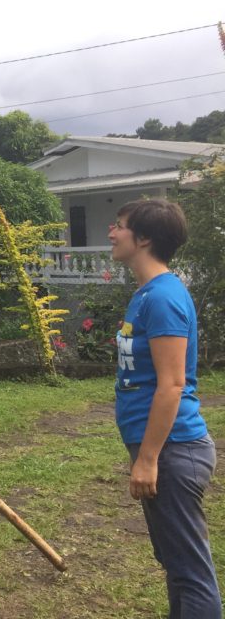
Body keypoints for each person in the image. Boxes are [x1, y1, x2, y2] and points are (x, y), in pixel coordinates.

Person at [109, 199, 221, 618]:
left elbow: (172, 385)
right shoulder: (147, 294)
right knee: (176, 562)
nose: (111, 232)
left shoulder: (164, 298)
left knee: (190, 570)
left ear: (145, 238)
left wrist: (149, 459)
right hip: (163, 450)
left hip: (174, 451)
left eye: (119, 225)